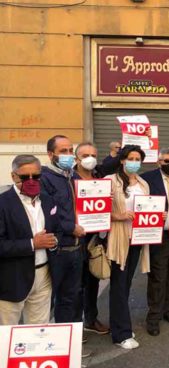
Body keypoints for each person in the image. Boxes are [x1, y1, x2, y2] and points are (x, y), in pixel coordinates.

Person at [0, 155, 60, 325]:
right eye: (25, 177)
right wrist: (32, 244)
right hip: (12, 277)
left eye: (36, 176)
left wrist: (54, 241)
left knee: (38, 331)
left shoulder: (48, 200)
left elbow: (57, 229)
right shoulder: (3, 204)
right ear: (13, 176)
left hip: (44, 275)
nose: (31, 181)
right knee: (6, 332)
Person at [106, 145, 150, 349]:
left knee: (125, 284)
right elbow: (96, 213)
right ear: (122, 160)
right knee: (119, 285)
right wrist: (118, 216)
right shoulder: (109, 181)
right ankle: (121, 334)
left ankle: (120, 326)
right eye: (131, 158)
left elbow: (148, 207)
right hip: (118, 240)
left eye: (138, 158)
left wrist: (158, 216)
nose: (134, 161)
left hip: (137, 239)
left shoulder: (143, 183)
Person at [41, 135, 86, 324]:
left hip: (76, 249)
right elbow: (47, 213)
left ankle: (71, 344)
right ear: (51, 154)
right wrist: (70, 228)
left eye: (70, 151)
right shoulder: (44, 178)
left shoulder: (74, 176)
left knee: (72, 297)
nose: (69, 155)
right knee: (49, 300)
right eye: (63, 151)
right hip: (58, 250)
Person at [141, 148, 169, 336]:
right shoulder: (148, 178)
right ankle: (154, 316)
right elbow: (141, 202)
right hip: (159, 234)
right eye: (166, 161)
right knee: (158, 276)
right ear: (159, 162)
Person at [73, 142, 110, 335]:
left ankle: (91, 318)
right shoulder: (69, 179)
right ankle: (73, 325)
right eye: (85, 154)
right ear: (76, 158)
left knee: (92, 280)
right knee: (75, 285)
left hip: (95, 237)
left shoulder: (98, 177)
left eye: (93, 155)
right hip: (74, 239)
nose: (90, 158)